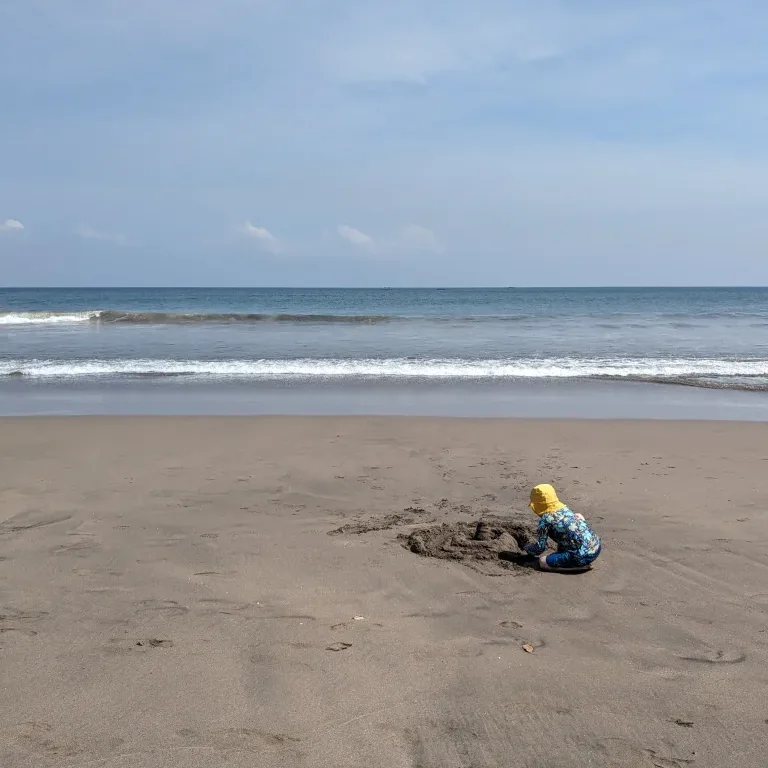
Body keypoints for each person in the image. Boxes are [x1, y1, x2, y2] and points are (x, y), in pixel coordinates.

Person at [524, 484, 601, 571]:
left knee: (542, 562)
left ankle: (578, 566)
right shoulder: (564, 508)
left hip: (581, 556)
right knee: (577, 516)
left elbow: (539, 549)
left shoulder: (545, 520)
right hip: (596, 547)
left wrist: (527, 547)